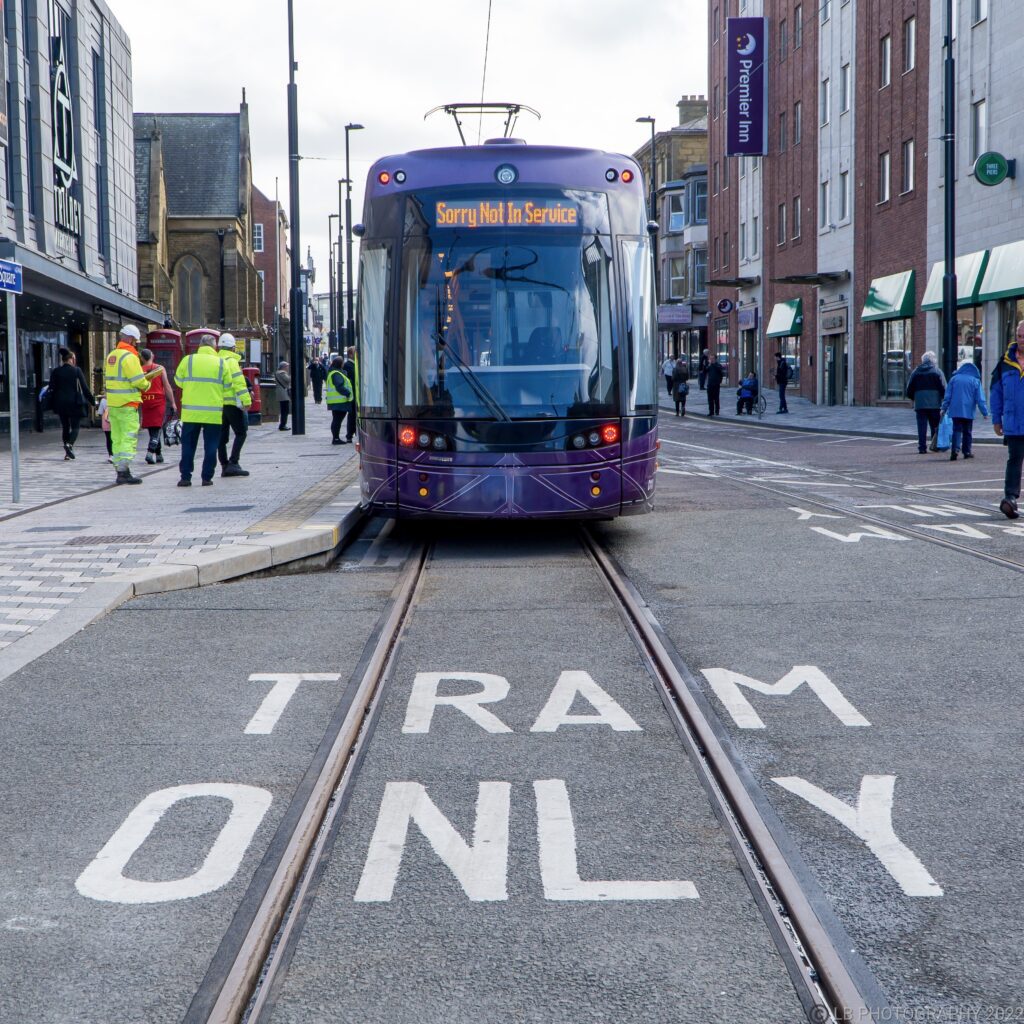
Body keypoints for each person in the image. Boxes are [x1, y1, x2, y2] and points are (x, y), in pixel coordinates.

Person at [174, 330, 246, 487]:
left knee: (188, 446)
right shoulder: (221, 363)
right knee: (211, 446)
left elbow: (178, 381)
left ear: (200, 345)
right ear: (214, 347)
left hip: (191, 412)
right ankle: (206, 478)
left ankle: (185, 477)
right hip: (212, 412)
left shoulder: (188, 360)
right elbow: (227, 385)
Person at [103, 324, 158, 484]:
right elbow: (138, 381)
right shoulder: (130, 357)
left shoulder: (111, 355)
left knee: (117, 438)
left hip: (114, 404)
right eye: (136, 341)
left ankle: (120, 470)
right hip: (128, 404)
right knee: (128, 437)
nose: (136, 344)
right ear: (132, 339)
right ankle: (124, 471)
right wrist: (147, 383)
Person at [991, 323, 1024, 518]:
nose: (1022, 340)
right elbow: (996, 392)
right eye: (1019, 336)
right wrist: (996, 419)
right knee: (1014, 459)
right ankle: (1010, 499)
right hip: (1014, 423)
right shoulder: (1004, 362)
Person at [46, 347, 95, 460]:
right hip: (74, 403)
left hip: (60, 403)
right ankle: (69, 445)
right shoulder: (76, 370)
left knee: (65, 427)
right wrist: (92, 401)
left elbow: (51, 387)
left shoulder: (56, 371)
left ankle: (67, 452)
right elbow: (85, 388)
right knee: (75, 426)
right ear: (71, 359)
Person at [216, 333, 252, 476]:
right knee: (241, 432)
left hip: (218, 404)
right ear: (233, 348)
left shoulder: (215, 360)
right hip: (232, 404)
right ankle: (234, 462)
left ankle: (224, 465)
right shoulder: (231, 361)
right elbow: (239, 383)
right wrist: (247, 401)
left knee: (221, 437)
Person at [940, 358, 988, 462]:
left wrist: (943, 408)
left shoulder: (954, 379)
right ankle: (967, 452)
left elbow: (947, 396)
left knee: (956, 430)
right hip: (968, 410)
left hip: (955, 409)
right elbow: (980, 398)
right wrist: (984, 412)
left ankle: (955, 450)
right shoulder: (975, 380)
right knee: (967, 431)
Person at [905, 350, 947, 454]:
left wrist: (914, 398)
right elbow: (944, 388)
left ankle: (922, 447)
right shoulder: (937, 371)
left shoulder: (915, 372)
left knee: (921, 427)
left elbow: (909, 389)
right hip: (935, 404)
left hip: (920, 405)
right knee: (935, 426)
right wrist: (943, 399)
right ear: (933, 360)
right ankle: (935, 446)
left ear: (923, 360)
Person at [139, 349, 176, 465]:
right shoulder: (160, 369)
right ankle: (150, 452)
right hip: (158, 401)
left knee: (152, 428)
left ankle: (159, 454)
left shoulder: (139, 370)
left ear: (142, 358)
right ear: (152, 356)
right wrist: (173, 402)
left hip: (145, 401)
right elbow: (167, 386)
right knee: (157, 428)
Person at [325, 355, 354, 443]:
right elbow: (339, 386)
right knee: (337, 421)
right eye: (342, 362)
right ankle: (336, 438)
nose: (343, 364)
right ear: (340, 364)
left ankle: (336, 438)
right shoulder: (336, 374)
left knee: (336, 420)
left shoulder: (334, 372)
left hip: (336, 402)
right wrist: (348, 393)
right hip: (339, 401)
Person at [343, 346, 359, 442]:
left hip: (357, 394)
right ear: (350, 354)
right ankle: (349, 435)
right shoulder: (348, 365)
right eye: (355, 352)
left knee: (355, 415)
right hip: (352, 394)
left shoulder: (355, 364)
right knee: (352, 415)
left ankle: (354, 433)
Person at [275, 360, 291, 431]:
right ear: (284, 367)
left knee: (283, 410)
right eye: (287, 366)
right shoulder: (282, 373)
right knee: (285, 410)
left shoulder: (278, 373)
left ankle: (283, 424)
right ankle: (283, 425)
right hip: (283, 393)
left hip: (281, 392)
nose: (288, 368)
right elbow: (288, 380)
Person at [97, 394, 113, 462]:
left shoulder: (103, 400)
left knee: (108, 439)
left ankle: (111, 455)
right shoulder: (118, 399)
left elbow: (100, 412)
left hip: (106, 422)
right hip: (116, 422)